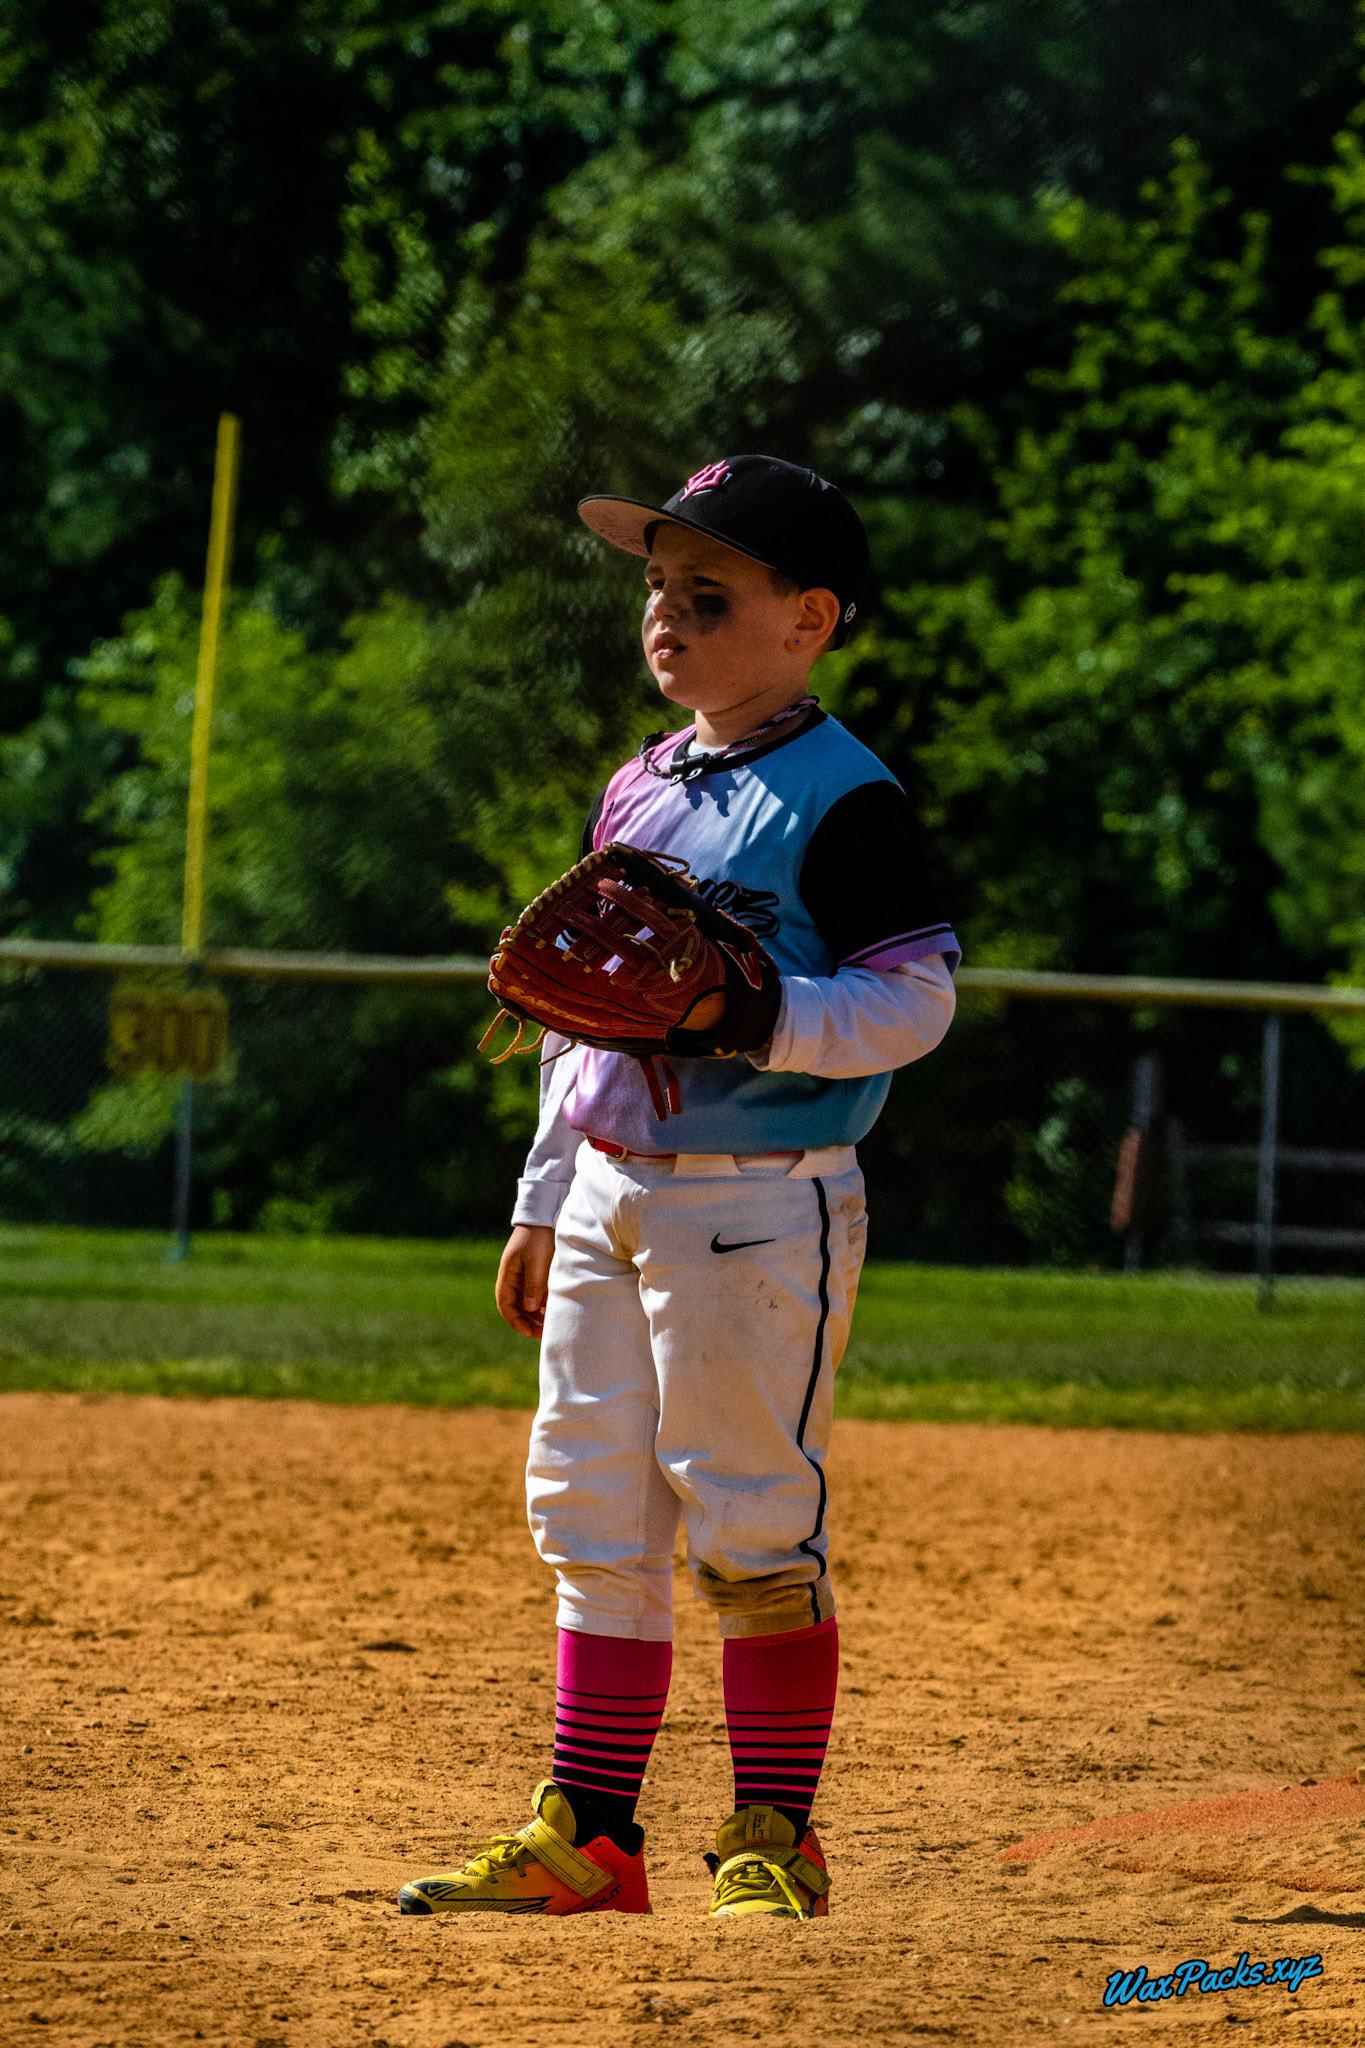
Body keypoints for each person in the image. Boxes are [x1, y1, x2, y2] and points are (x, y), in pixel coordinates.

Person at [398, 454, 959, 1920]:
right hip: (606, 1192)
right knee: (590, 1512)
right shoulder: (638, 784)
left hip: (759, 1196)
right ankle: (592, 1835)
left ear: (808, 619)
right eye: (656, 588)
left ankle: (775, 1832)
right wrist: (539, 1193)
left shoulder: (845, 797)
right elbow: (579, 1016)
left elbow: (913, 1004)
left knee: (751, 1517)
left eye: (706, 594)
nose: (666, 615)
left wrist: (752, 1013)